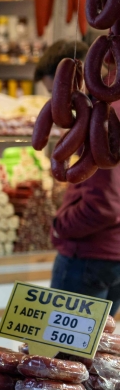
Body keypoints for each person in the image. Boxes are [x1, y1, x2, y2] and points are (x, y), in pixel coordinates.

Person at [41, 40, 120, 312]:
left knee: (64, 352)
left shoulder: (106, 109)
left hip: (89, 255)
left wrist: (60, 226)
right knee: (96, 350)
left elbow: (104, 206)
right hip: (112, 254)